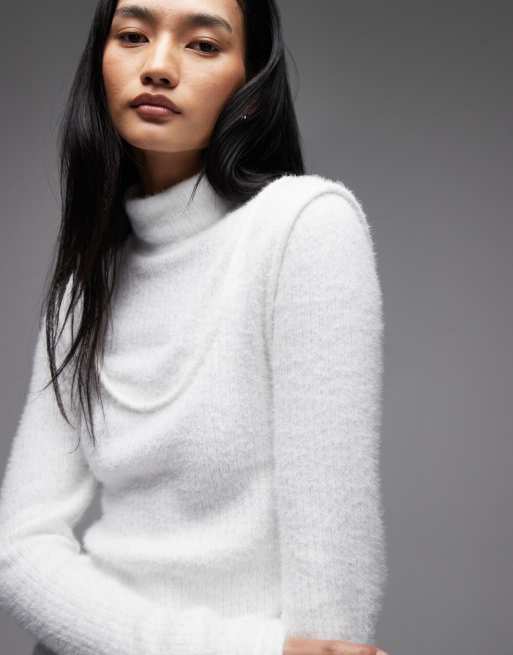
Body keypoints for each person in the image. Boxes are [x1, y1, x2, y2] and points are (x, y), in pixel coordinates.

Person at [0, 1, 390, 655]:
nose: (157, 66)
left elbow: (331, 625)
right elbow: (19, 549)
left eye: (203, 45)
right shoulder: (83, 289)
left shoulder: (303, 227)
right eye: (133, 35)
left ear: (252, 87)